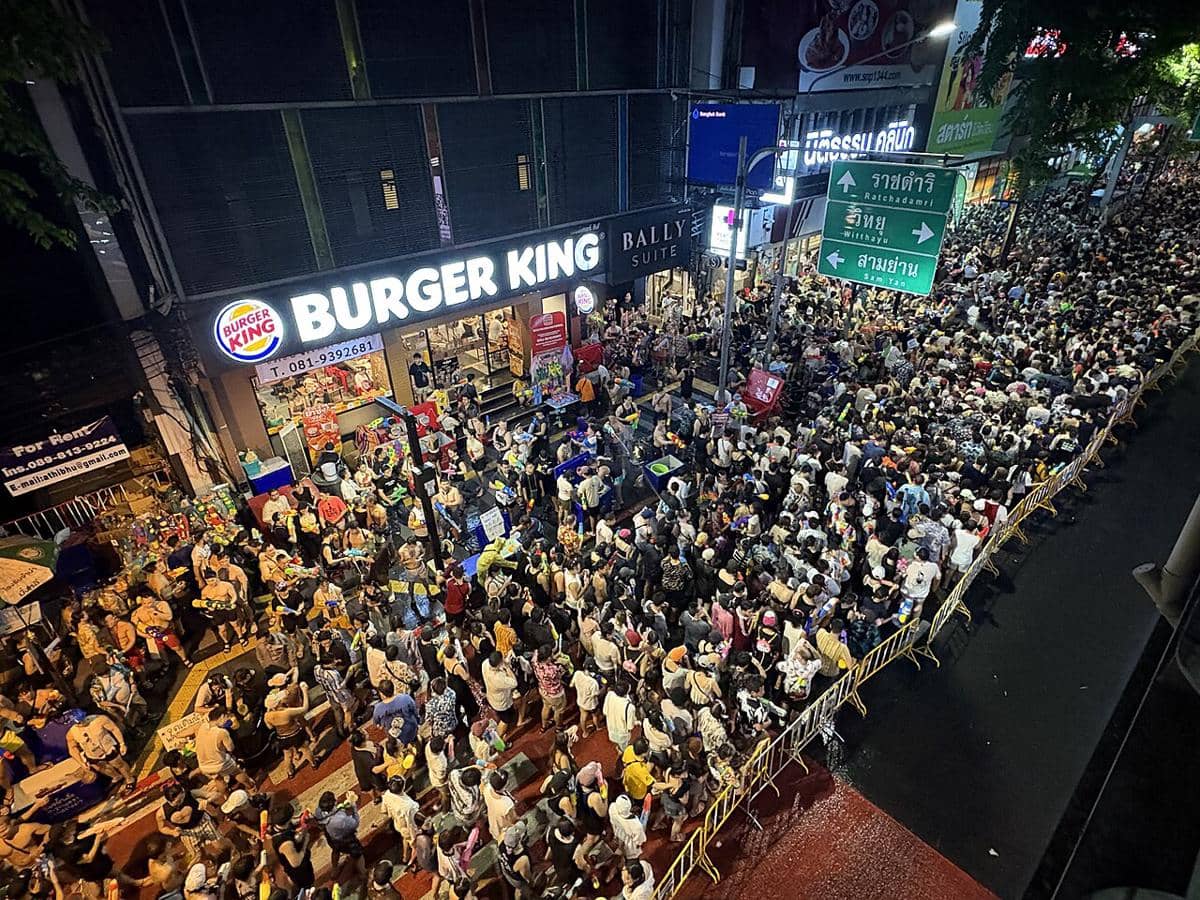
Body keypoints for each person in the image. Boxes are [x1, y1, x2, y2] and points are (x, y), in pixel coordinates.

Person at [66, 712, 133, 793]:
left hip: (107, 748)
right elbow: (72, 749)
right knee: (100, 767)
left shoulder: (100, 719)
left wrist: (122, 744)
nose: (81, 723)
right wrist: (81, 762)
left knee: (118, 764)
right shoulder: (71, 733)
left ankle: (130, 779)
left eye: (82, 720)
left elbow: (114, 729)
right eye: (78, 722)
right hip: (92, 754)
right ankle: (116, 776)